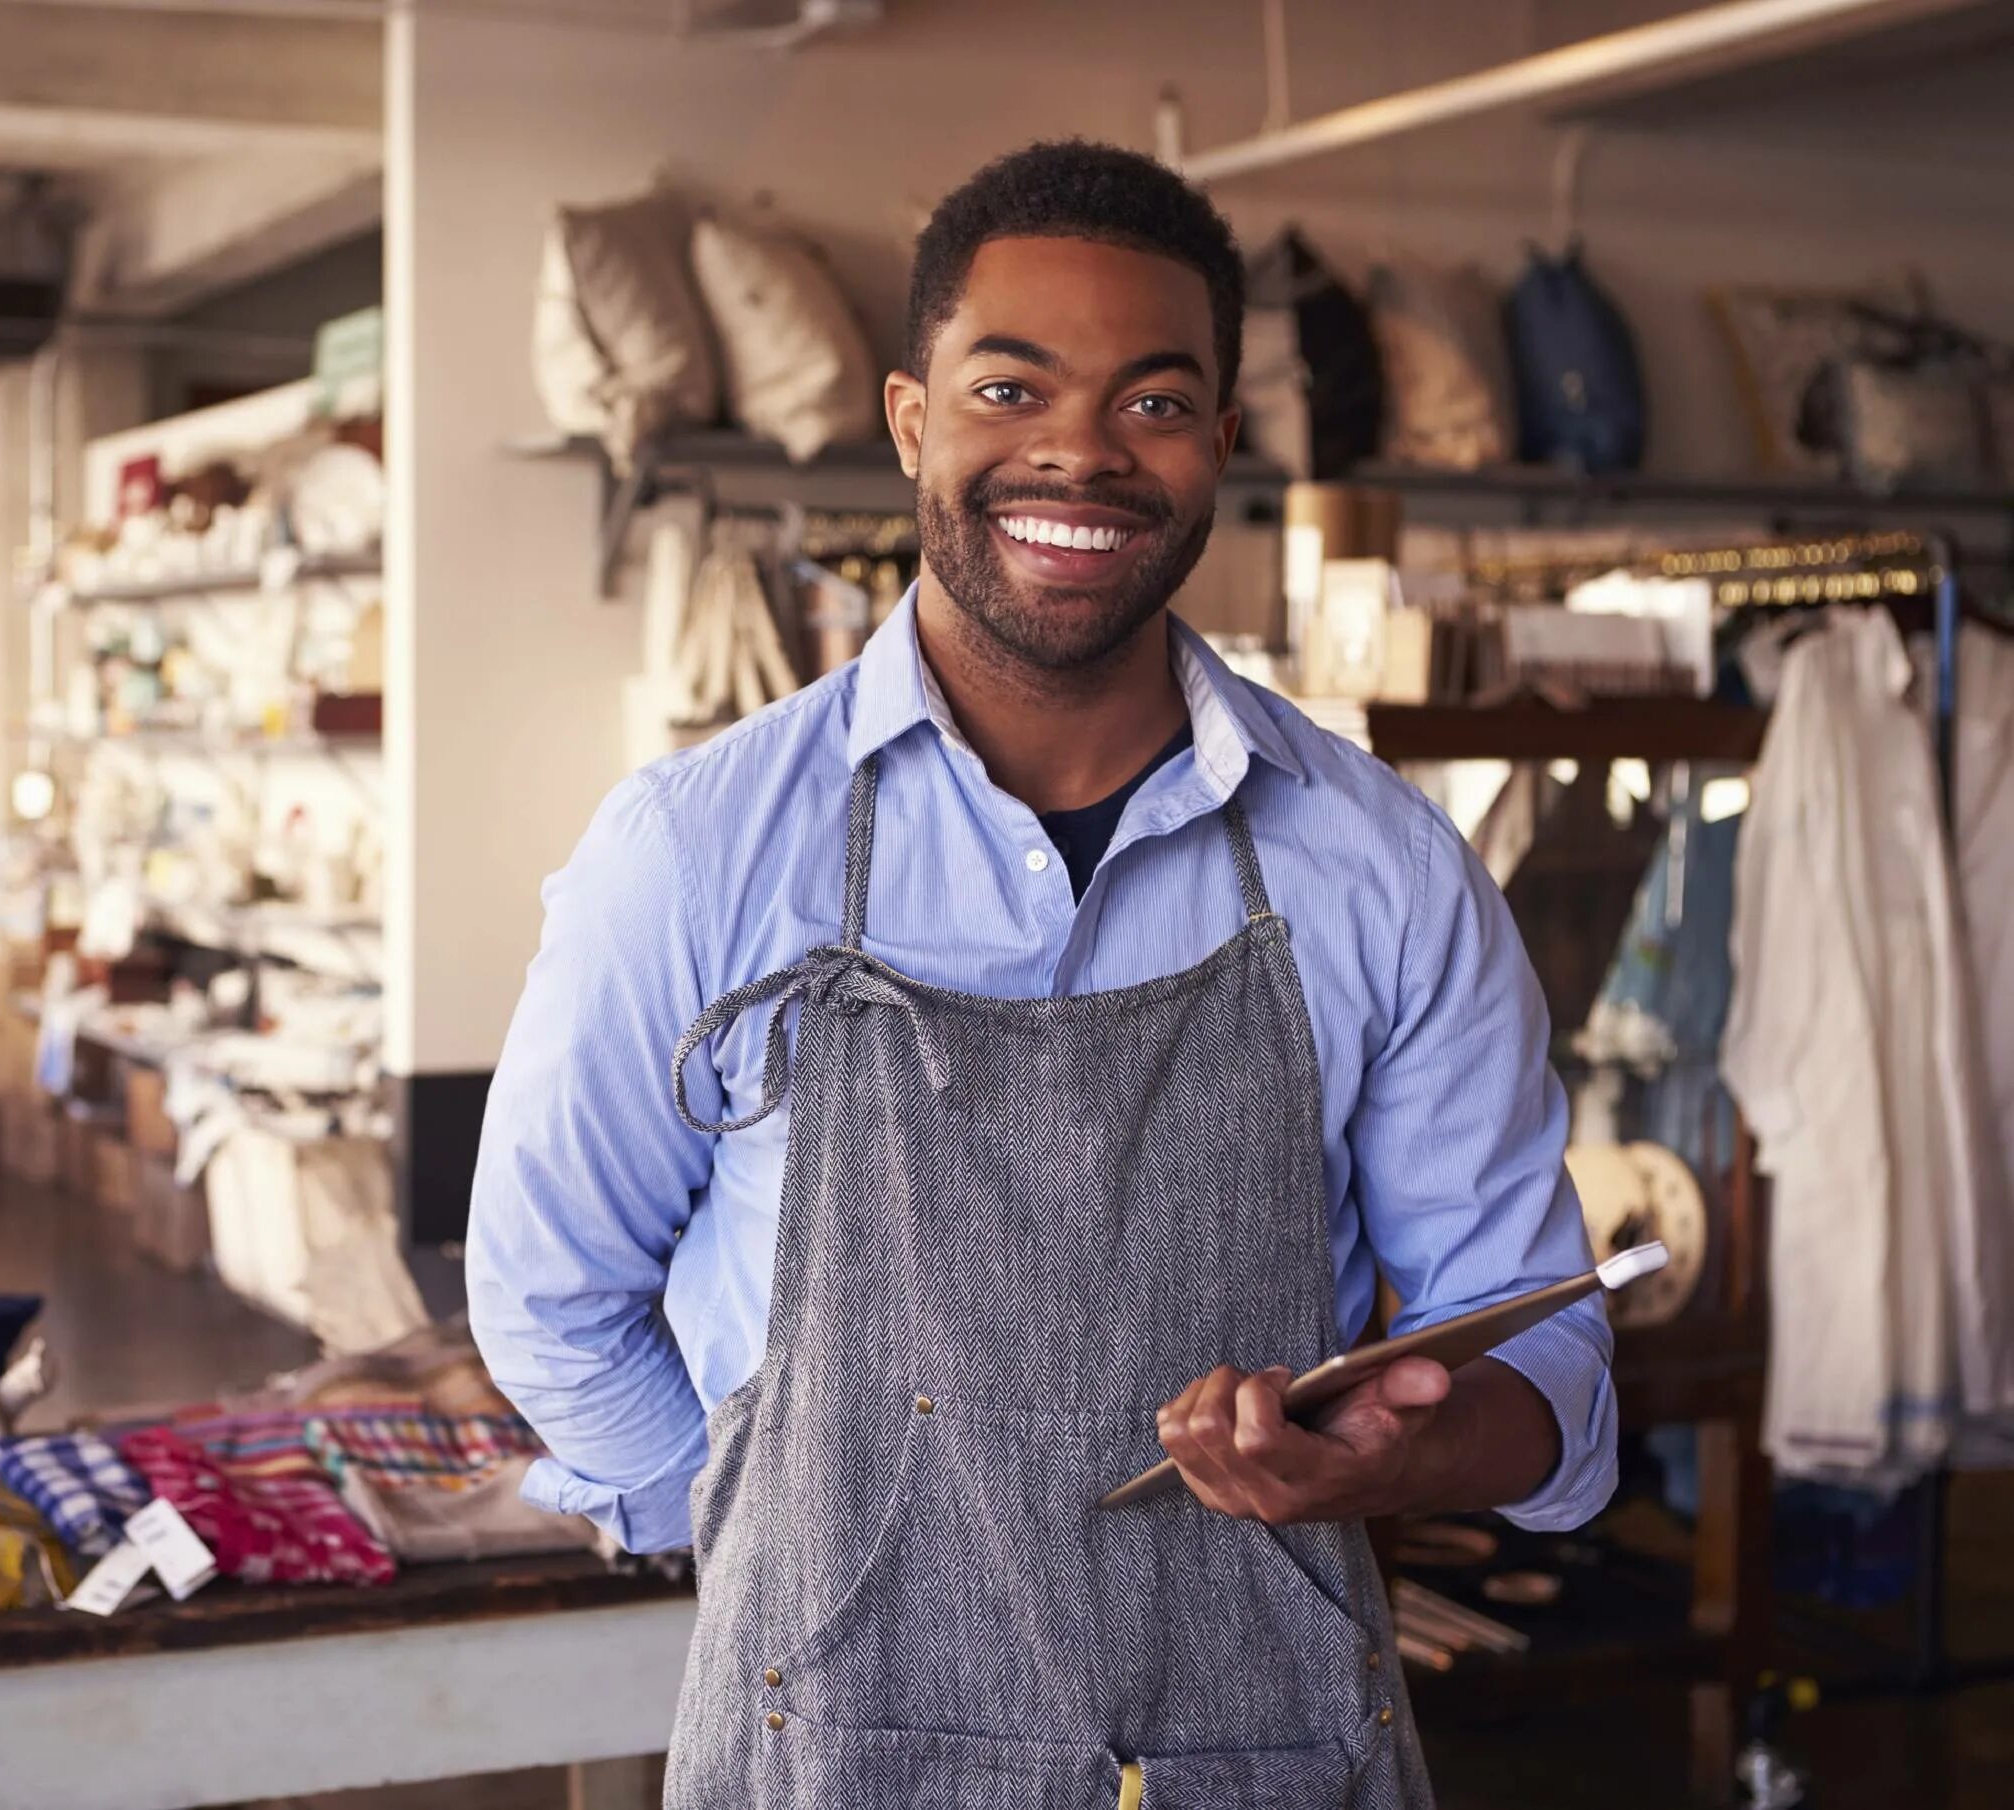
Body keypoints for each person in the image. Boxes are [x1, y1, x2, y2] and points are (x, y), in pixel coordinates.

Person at [467, 140, 1613, 1809]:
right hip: (831, 1753)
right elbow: (550, 1292)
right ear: (912, 418)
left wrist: (1414, 1449)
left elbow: (1553, 1381)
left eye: (1154, 402)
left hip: (1267, 1747)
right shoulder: (698, 850)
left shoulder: (1381, 870)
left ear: (1223, 444)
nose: (1080, 448)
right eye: (1012, 386)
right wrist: (767, 1532)